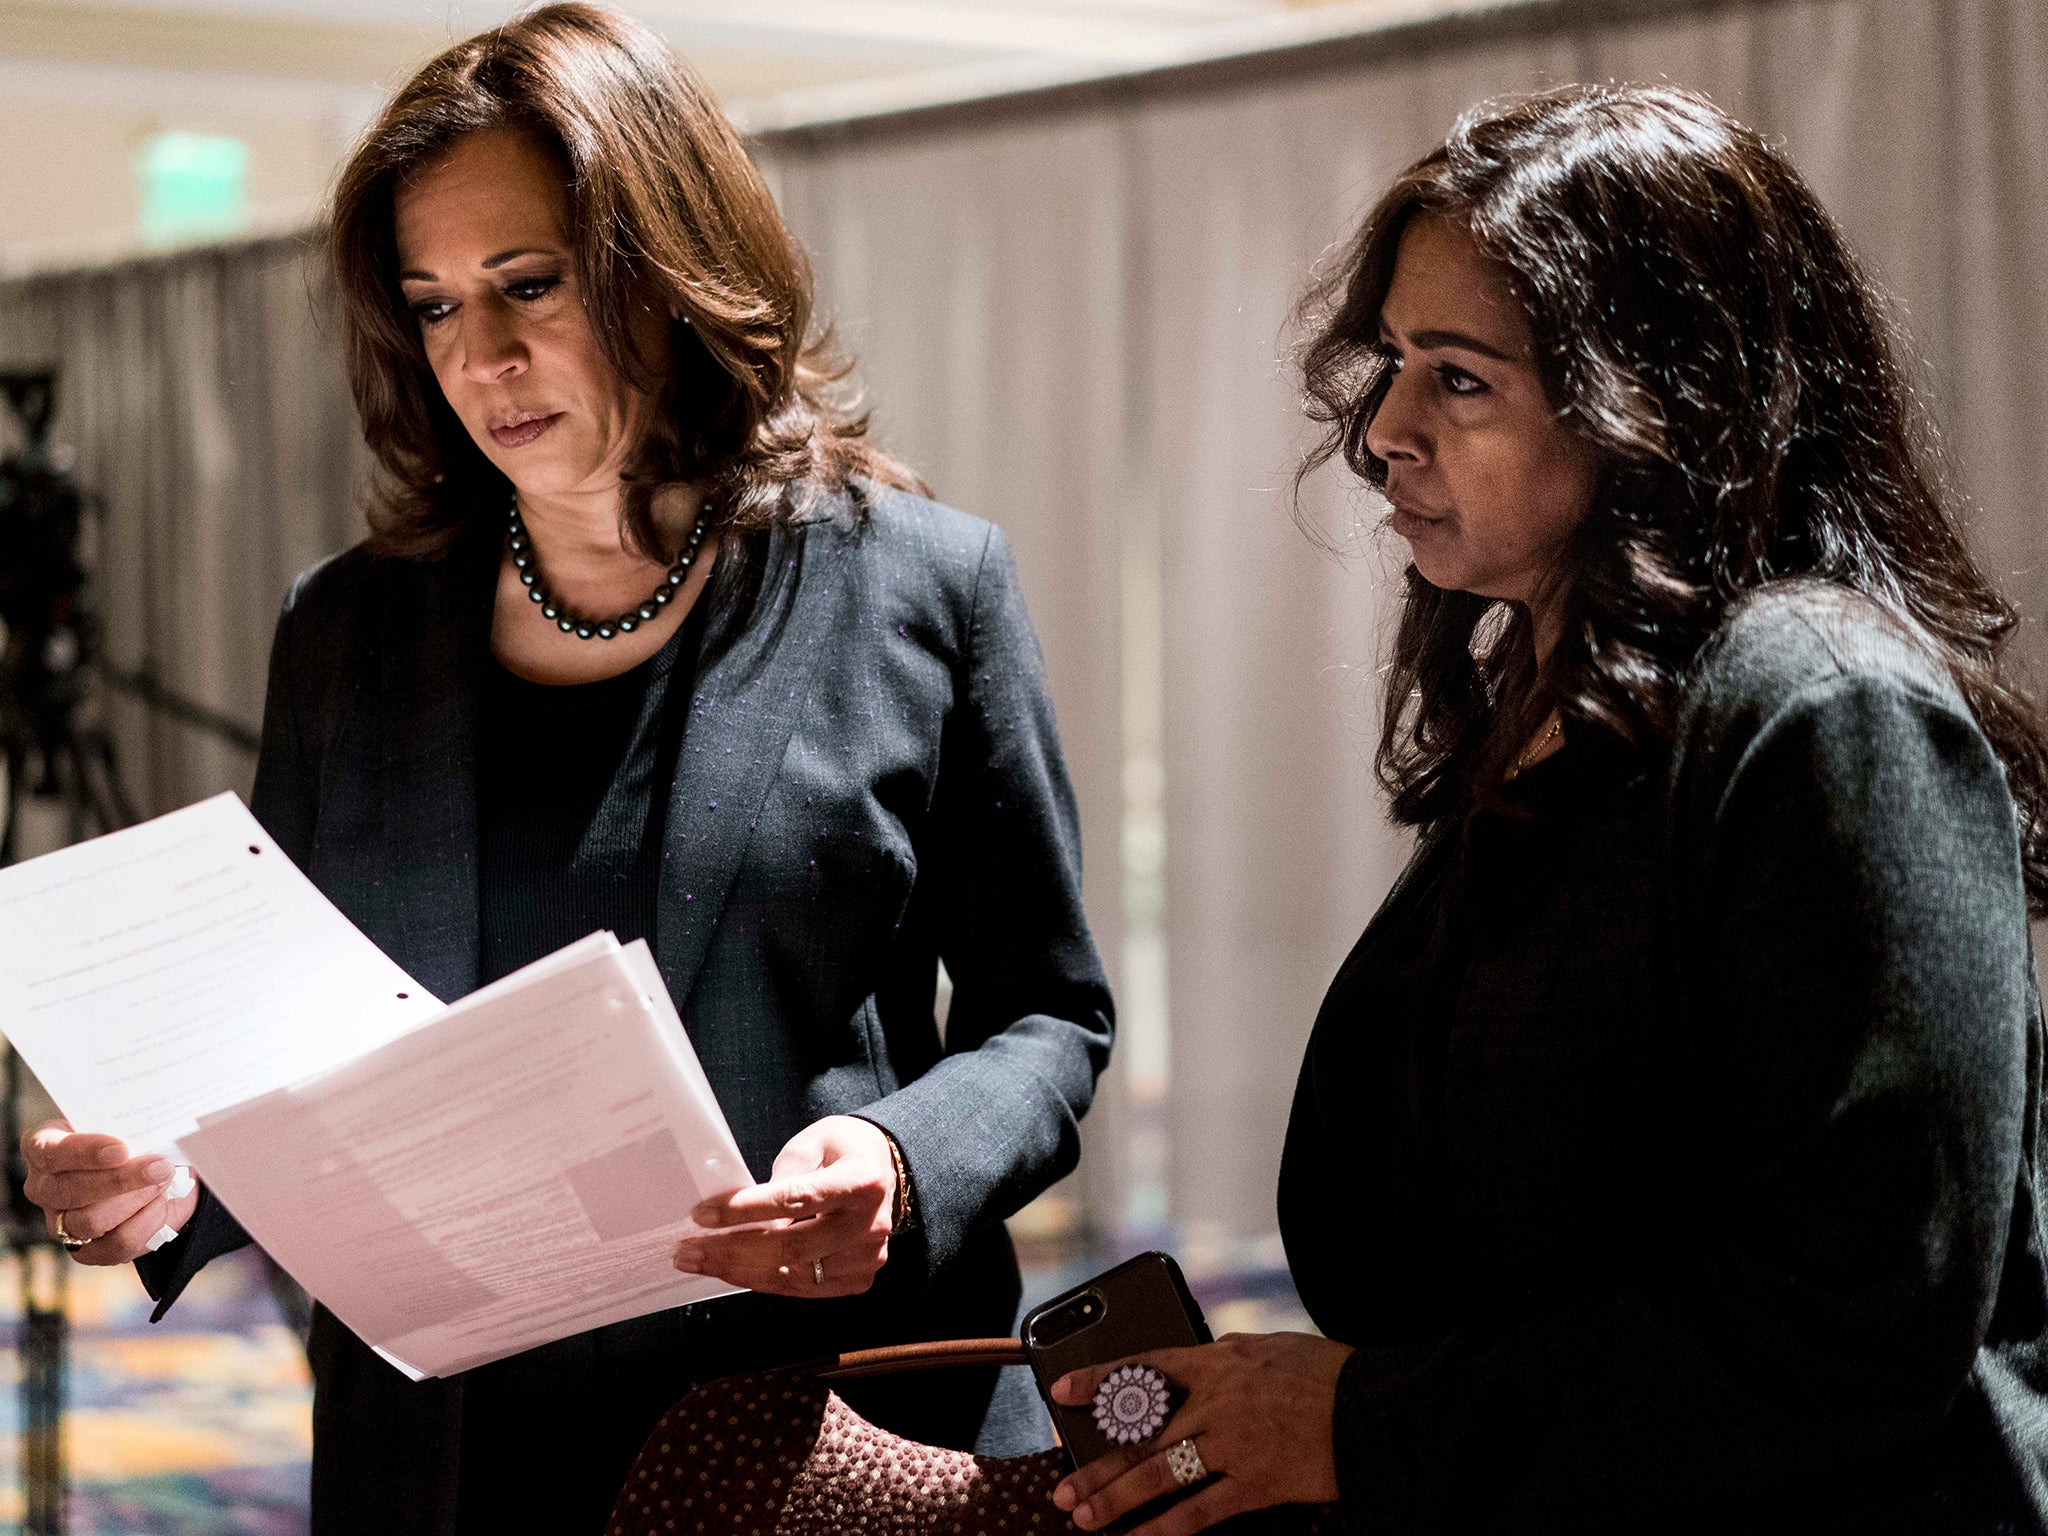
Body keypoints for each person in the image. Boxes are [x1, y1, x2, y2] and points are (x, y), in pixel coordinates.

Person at [16, 6, 1112, 1532]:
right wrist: (168, 1183)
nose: (484, 358)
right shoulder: (349, 631)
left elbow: (1048, 1016)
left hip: (815, 1440)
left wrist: (895, 1158)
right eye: (436, 306)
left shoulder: (916, 588)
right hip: (447, 1462)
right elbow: (253, 1057)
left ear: (665, 270)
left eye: (528, 286)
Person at [1049, 84, 2048, 1534]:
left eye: (1458, 378)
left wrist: (1363, 1423)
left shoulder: (1821, 702)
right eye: (1393, 362)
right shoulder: (1564, 716)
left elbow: (1857, 1317)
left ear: (1660, 398)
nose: (1383, 430)